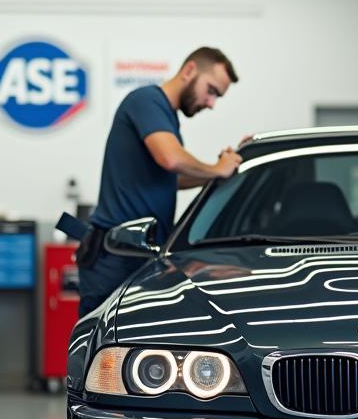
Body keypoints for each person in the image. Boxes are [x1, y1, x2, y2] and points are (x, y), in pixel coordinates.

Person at [78, 46, 242, 316]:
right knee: (100, 352)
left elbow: (172, 178)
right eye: (211, 90)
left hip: (142, 257)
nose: (211, 103)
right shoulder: (146, 100)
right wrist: (216, 168)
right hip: (115, 258)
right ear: (189, 70)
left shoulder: (167, 118)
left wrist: (225, 168)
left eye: (217, 97)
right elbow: (170, 159)